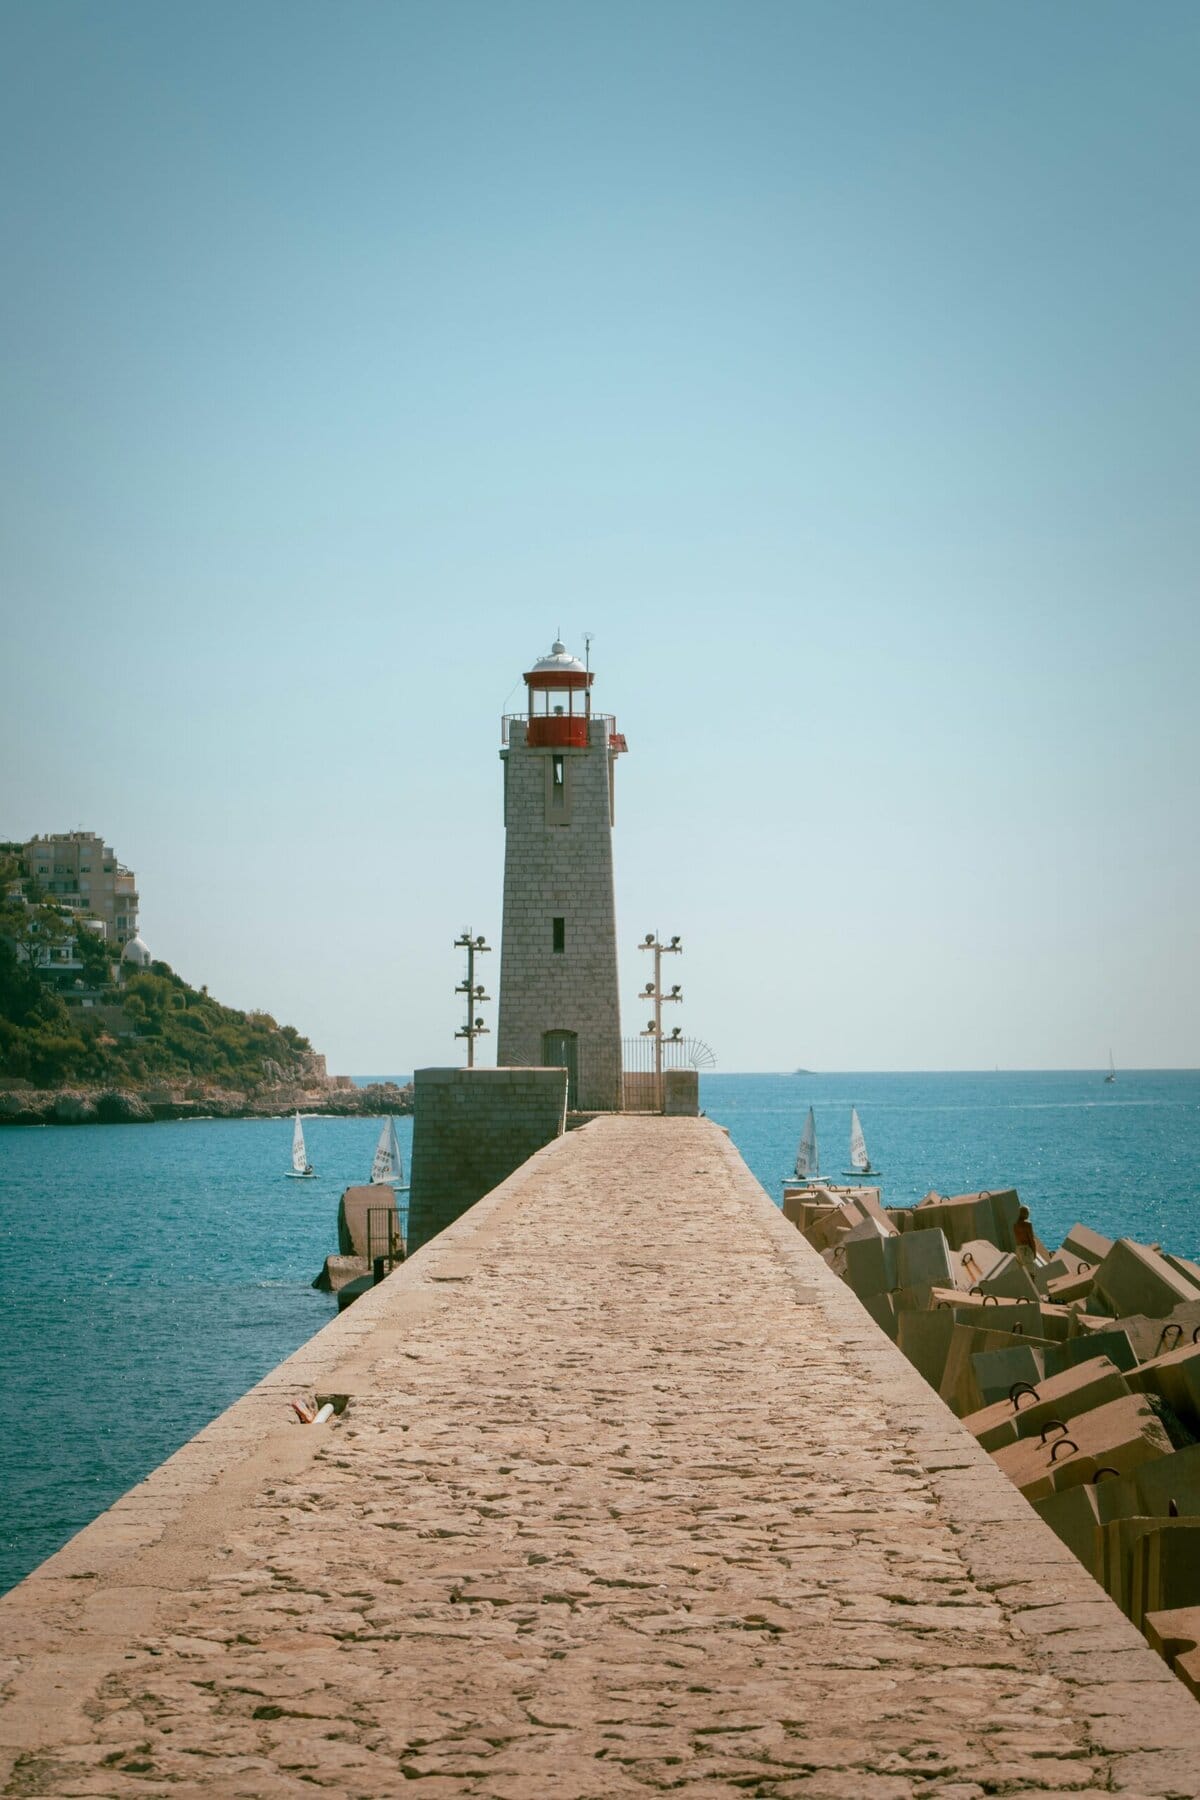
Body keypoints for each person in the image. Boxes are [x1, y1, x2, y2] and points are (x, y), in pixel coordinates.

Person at [1013, 1205, 1037, 1273]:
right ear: (1025, 1213)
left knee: (1022, 1272)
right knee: (1031, 1272)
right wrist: (1034, 1253)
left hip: (1018, 1249)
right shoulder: (1027, 1224)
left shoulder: (1015, 1225)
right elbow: (1032, 1239)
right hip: (1026, 1250)